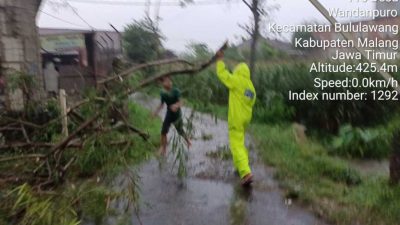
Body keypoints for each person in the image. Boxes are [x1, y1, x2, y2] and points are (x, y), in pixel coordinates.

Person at [215, 50, 256, 186]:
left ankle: (245, 172)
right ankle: (240, 168)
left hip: (236, 119)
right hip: (245, 120)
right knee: (240, 143)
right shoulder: (251, 87)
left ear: (238, 71)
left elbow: (223, 75)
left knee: (236, 145)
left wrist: (219, 61)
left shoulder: (237, 81)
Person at [152, 76, 192, 156]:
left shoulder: (175, 91)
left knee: (180, 131)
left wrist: (176, 106)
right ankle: (163, 149)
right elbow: (161, 104)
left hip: (177, 115)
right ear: (162, 83)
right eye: (166, 81)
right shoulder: (163, 93)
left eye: (170, 81)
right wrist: (155, 112)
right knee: (163, 131)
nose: (169, 83)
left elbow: (182, 102)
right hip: (169, 114)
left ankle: (188, 141)